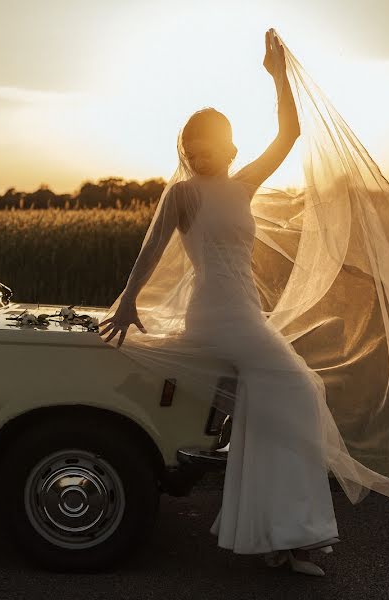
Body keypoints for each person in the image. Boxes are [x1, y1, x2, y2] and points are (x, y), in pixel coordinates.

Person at [100, 28, 337, 576]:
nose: (204, 151)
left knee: (267, 411)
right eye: (194, 144)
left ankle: (273, 539)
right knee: (302, 390)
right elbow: (152, 249)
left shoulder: (245, 183)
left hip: (244, 314)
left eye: (214, 141)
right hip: (218, 316)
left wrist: (277, 74)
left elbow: (290, 132)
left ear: (231, 146)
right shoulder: (184, 194)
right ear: (188, 151)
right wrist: (129, 300)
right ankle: (295, 536)